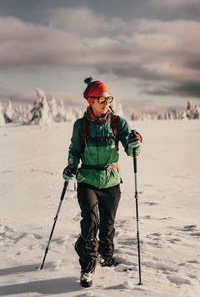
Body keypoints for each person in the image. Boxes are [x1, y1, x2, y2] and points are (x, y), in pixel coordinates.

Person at [63, 77, 142, 287]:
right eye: (102, 98)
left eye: (109, 97)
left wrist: (136, 142)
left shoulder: (118, 123)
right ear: (91, 101)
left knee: (107, 225)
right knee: (90, 222)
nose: (107, 101)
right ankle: (87, 267)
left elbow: (130, 149)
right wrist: (71, 165)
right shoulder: (81, 126)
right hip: (87, 181)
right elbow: (74, 150)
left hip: (111, 182)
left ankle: (107, 256)